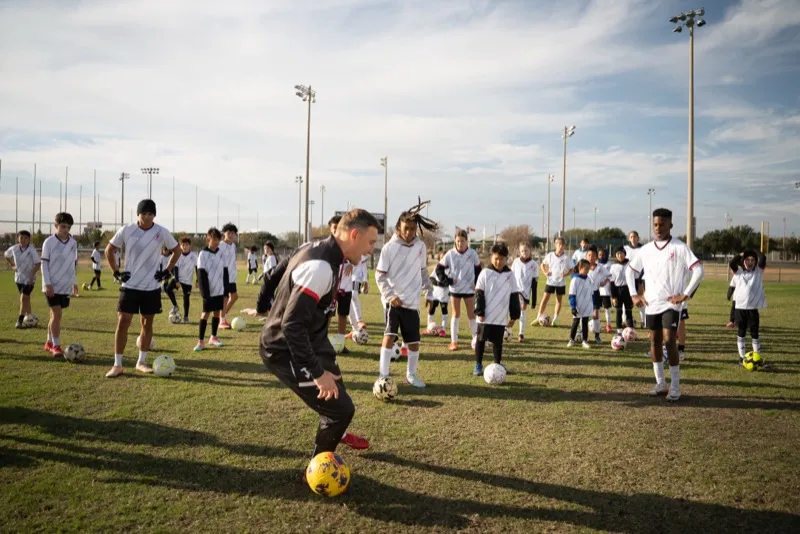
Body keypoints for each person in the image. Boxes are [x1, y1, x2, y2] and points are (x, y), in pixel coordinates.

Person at [254, 208, 380, 459]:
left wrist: (265, 308)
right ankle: (319, 469)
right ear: (354, 235)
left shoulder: (317, 248)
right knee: (341, 409)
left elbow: (275, 276)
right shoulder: (321, 267)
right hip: (283, 348)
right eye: (371, 242)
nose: (371, 250)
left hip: (314, 339)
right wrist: (317, 373)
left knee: (337, 388)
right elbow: (291, 325)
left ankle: (337, 432)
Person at [625, 208, 704, 401]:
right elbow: (630, 271)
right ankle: (661, 383)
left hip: (671, 305)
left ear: (670, 225)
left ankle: (675, 386)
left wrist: (685, 295)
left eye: (662, 224)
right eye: (655, 225)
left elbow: (699, 270)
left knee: (669, 340)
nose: (658, 228)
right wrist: (634, 295)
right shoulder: (646, 250)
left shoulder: (679, 247)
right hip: (651, 304)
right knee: (654, 341)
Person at [105, 199, 180, 378]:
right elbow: (109, 250)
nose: (146, 217)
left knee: (147, 324)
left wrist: (167, 271)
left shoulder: (161, 232)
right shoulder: (127, 230)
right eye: (143, 214)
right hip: (129, 285)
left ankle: (141, 362)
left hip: (151, 287)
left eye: (150, 214)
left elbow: (176, 250)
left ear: (154, 215)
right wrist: (116, 272)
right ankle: (117, 364)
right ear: (138, 214)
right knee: (123, 322)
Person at [376, 203, 437, 387]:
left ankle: (411, 375)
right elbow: (380, 275)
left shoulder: (420, 246)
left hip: (412, 303)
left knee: (414, 342)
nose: (409, 232)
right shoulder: (389, 247)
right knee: (390, 335)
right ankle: (383, 375)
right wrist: (389, 295)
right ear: (398, 227)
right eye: (406, 229)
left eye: (412, 229)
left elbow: (423, 270)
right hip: (394, 303)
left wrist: (430, 291)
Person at [473, 242, 521, 375]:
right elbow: (479, 293)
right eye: (496, 258)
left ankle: (497, 364)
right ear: (491, 258)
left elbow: (514, 295)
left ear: (507, 259)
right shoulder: (485, 273)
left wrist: (514, 315)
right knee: (481, 340)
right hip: (485, 315)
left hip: (500, 316)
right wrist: (480, 311)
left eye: (502, 259)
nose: (499, 261)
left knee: (498, 343)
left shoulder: (510, 275)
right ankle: (478, 364)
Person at [436, 229, 481, 351]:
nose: (460, 243)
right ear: (455, 241)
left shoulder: (473, 254)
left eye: (462, 241)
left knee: (472, 315)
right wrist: (448, 281)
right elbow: (439, 269)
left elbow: (478, 270)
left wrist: (476, 284)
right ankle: (454, 342)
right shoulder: (450, 254)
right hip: (455, 289)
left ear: (467, 241)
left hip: (469, 289)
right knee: (456, 314)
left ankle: (476, 340)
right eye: (457, 241)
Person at [40, 212, 78, 358]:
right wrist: (48, 284)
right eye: (63, 226)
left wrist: (74, 282)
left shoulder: (73, 243)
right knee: (57, 314)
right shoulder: (48, 242)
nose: (65, 229)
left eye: (68, 227)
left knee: (54, 316)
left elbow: (72, 265)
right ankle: (56, 346)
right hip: (51, 285)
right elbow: (44, 264)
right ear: (56, 226)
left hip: (65, 285)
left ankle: (49, 342)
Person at [729, 249, 767, 364]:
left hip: (752, 309)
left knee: (754, 333)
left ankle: (757, 358)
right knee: (741, 332)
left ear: (755, 262)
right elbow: (731, 263)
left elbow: (763, 258)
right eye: (747, 260)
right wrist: (742, 254)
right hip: (740, 309)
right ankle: (742, 358)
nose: (750, 262)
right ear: (743, 261)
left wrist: (754, 252)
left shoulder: (758, 272)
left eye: (752, 260)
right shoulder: (739, 271)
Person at [195, 228, 226, 351]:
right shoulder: (203, 254)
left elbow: (224, 271)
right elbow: (201, 274)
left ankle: (213, 337)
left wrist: (225, 287)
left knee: (217, 312)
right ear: (208, 238)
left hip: (219, 289)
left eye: (218, 239)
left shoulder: (220, 253)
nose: (216, 242)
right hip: (209, 290)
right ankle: (200, 341)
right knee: (205, 314)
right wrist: (204, 293)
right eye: (214, 239)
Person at [328, 215, 354, 354]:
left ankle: (340, 343)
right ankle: (322, 343)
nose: (337, 230)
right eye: (334, 228)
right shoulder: (327, 247)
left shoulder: (349, 244)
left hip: (346, 286)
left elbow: (359, 258)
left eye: (340, 227)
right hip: (330, 287)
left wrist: (351, 263)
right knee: (327, 315)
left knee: (343, 315)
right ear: (330, 229)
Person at [5, 230, 41, 329]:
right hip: (18, 278)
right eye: (21, 238)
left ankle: (19, 320)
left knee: (23, 298)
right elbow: (6, 255)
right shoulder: (14, 248)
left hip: (30, 279)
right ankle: (29, 316)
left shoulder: (31, 249)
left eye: (26, 238)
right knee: (26, 298)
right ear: (18, 239)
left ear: (29, 239)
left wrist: (31, 275)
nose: (23, 240)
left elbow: (38, 264)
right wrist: (12, 265)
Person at [535, 236, 574, 327]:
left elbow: (572, 269)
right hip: (550, 281)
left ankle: (555, 319)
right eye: (558, 244)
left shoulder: (566, 258)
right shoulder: (550, 255)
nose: (560, 246)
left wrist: (565, 275)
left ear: (564, 246)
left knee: (558, 300)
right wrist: (545, 272)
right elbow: (542, 265)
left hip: (561, 283)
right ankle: (538, 317)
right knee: (545, 299)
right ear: (555, 245)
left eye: (562, 244)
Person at [511, 241, 538, 342]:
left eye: (526, 250)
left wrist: (534, 300)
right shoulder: (516, 262)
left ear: (530, 251)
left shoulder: (534, 264)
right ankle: (506, 329)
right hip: (515, 290)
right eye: (522, 251)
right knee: (513, 311)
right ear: (519, 251)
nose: (524, 252)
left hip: (526, 292)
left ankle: (521, 334)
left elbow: (535, 283)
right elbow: (511, 276)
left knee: (522, 312)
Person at [585, 245, 611, 344]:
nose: (591, 257)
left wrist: (605, 281)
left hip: (595, 293)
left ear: (596, 257)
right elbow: (576, 276)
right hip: (585, 294)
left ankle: (597, 336)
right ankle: (584, 335)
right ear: (586, 256)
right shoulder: (582, 266)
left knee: (596, 315)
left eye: (593, 255)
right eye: (589, 255)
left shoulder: (600, 267)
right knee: (584, 315)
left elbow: (610, 275)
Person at [568, 259, 593, 349]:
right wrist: (573, 307)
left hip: (587, 306)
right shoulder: (575, 280)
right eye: (585, 268)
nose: (587, 270)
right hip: (578, 306)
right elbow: (572, 294)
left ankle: (585, 341)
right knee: (575, 322)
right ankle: (571, 339)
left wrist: (591, 305)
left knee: (585, 323)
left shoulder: (589, 280)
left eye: (588, 268)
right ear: (580, 268)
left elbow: (591, 293)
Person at [423, 250, 449, 337]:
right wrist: (439, 283)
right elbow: (431, 278)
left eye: (445, 258)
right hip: (435, 293)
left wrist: (447, 283)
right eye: (442, 258)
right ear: (439, 259)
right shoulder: (437, 268)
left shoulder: (450, 269)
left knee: (444, 311)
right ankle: (428, 328)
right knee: (431, 310)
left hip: (444, 294)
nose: (443, 260)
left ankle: (443, 330)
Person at [609, 246, 634, 332]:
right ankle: (619, 331)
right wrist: (613, 296)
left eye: (621, 253)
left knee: (629, 311)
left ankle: (631, 331)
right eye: (618, 254)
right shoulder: (613, 266)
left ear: (625, 254)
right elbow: (612, 282)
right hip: (617, 291)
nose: (620, 255)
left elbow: (635, 278)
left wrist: (635, 292)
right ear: (615, 255)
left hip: (628, 289)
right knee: (619, 312)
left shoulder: (630, 264)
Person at [218, 222, 239, 329]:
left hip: (232, 276)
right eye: (228, 232)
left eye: (233, 233)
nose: (231, 235)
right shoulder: (221, 245)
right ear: (224, 233)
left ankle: (222, 316)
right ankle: (222, 321)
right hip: (223, 276)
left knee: (234, 297)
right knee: (225, 298)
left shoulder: (233, 246)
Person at [173, 236, 198, 323]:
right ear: (180, 246)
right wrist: (176, 281)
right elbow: (175, 268)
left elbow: (197, 267)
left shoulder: (194, 256)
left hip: (188, 282)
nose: (185, 246)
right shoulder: (178, 255)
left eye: (186, 245)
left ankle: (186, 317)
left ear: (189, 245)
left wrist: (198, 280)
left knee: (186, 298)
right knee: (167, 288)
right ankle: (175, 306)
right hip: (179, 279)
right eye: (183, 245)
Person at [625, 230, 646, 327]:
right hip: (628, 279)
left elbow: (644, 265)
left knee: (641, 299)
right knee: (626, 300)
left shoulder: (643, 249)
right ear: (629, 238)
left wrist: (641, 281)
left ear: (638, 238)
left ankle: (643, 321)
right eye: (631, 237)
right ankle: (625, 320)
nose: (633, 238)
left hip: (639, 279)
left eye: (635, 236)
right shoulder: (625, 249)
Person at [348, 253, 369, 332]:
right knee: (347, 301)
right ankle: (354, 328)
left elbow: (363, 265)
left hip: (357, 277)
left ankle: (359, 320)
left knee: (353, 295)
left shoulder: (362, 248)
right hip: (346, 276)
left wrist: (365, 280)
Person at [597, 248, 614, 333]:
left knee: (607, 308)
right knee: (598, 308)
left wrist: (606, 281)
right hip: (597, 289)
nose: (601, 256)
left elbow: (611, 276)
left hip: (606, 290)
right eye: (600, 255)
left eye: (603, 255)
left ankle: (608, 324)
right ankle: (598, 324)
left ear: (606, 255)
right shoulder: (596, 264)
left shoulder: (609, 264)